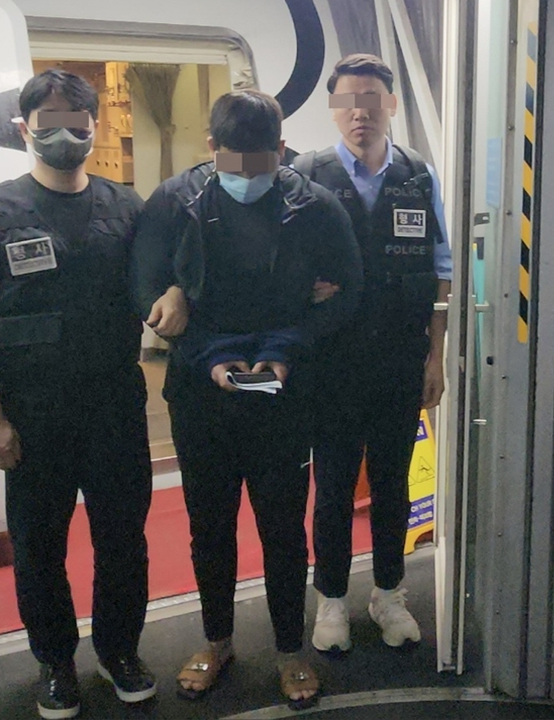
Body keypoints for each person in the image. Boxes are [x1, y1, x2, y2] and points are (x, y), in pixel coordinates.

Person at [130, 89, 364, 710]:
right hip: (201, 392)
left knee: (283, 530)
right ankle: (217, 641)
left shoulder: (314, 206)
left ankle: (290, 650)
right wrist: (203, 348)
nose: (249, 175)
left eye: (263, 162)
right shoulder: (174, 202)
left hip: (282, 391)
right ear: (211, 147)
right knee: (209, 527)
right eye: (235, 162)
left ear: (281, 149)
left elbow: (349, 292)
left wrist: (287, 349)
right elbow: (144, 287)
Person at [0, 69, 156, 720]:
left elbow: (161, 282)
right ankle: (55, 663)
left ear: (95, 126)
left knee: (122, 540)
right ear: (25, 128)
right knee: (39, 547)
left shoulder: (127, 208)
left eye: (78, 122)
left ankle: (120, 652)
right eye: (49, 123)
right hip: (33, 415)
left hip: (114, 409)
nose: (65, 134)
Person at [291, 53, 452, 654]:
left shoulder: (419, 176)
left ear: (390, 105)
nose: (360, 112)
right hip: (330, 364)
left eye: (372, 99)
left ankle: (389, 593)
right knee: (333, 488)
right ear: (334, 108)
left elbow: (442, 272)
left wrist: (435, 358)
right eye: (348, 101)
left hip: (399, 361)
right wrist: (299, 289)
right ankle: (331, 598)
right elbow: (277, 263)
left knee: (392, 484)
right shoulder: (304, 175)